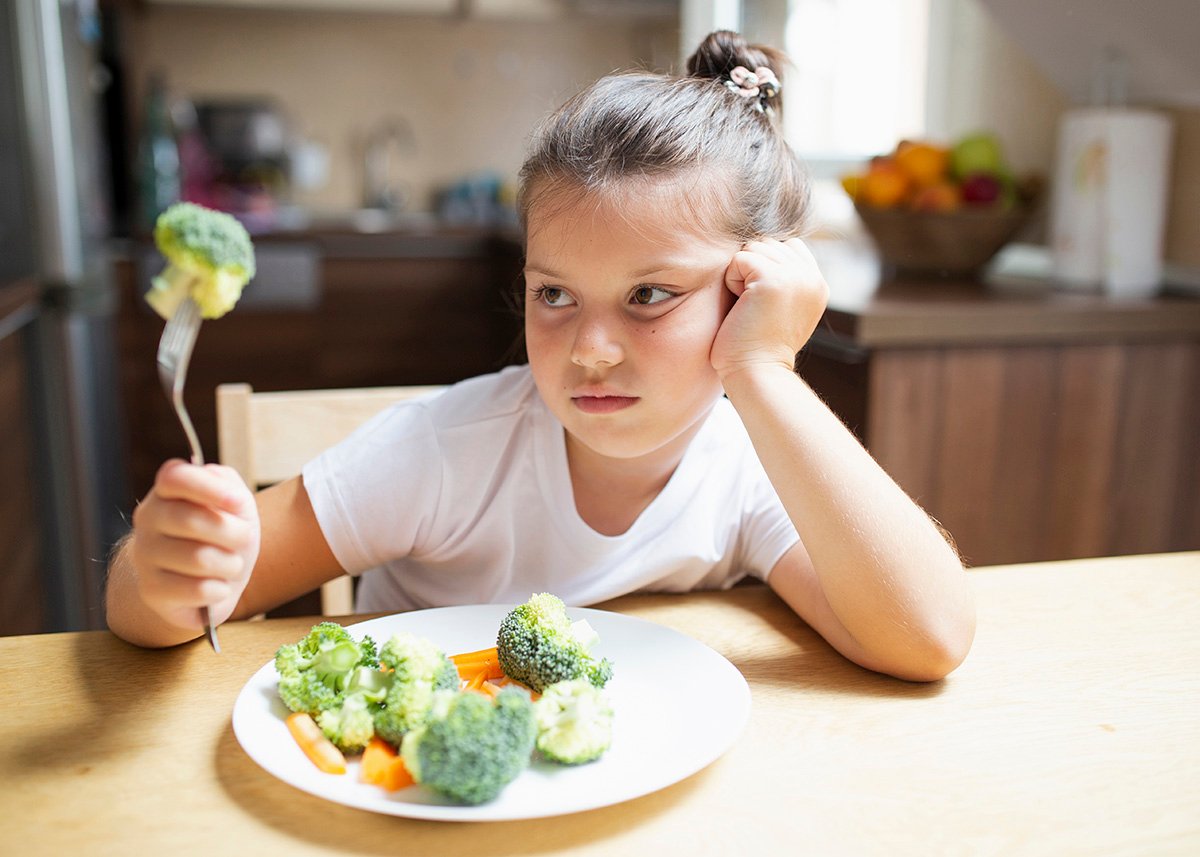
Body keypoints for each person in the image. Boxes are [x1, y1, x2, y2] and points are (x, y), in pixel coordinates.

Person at [106, 31, 974, 681]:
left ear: (751, 289)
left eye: (649, 296)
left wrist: (764, 372)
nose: (590, 351)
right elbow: (168, 613)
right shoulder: (442, 454)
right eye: (554, 295)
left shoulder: (749, 464)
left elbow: (928, 636)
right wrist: (161, 574)